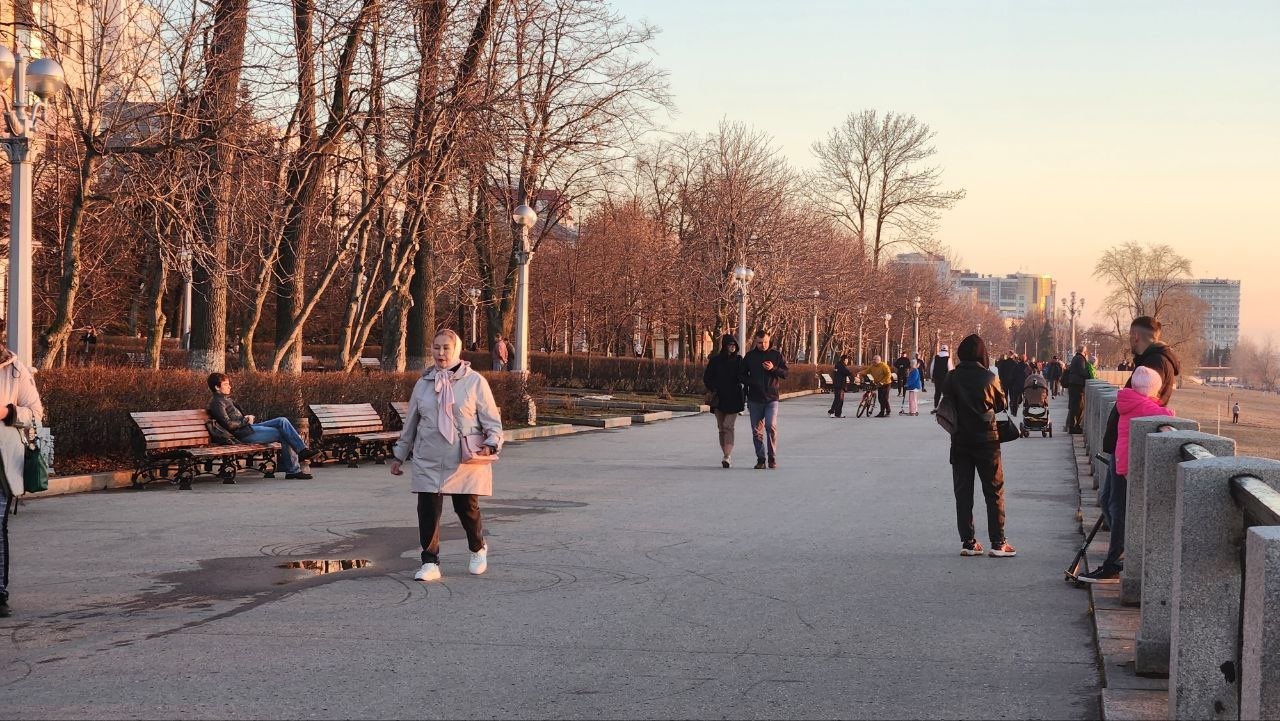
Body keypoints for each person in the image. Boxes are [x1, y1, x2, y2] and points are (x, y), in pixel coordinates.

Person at [391, 329, 503, 582]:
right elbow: (411, 423)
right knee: (428, 509)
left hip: (463, 456)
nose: (441, 353)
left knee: (466, 508)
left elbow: (492, 422)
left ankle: (477, 548)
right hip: (428, 454)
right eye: (436, 347)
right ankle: (430, 562)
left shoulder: (474, 381)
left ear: (457, 350)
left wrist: (491, 443)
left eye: (446, 348)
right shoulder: (423, 383)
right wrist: (399, 455)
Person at [1077, 367, 1173, 584]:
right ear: (1153, 390)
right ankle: (1116, 559)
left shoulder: (1127, 401)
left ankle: (1118, 555)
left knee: (1114, 506)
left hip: (1120, 462)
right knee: (1119, 511)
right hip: (1129, 467)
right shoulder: (1145, 406)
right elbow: (1169, 417)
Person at [940, 334, 1016, 558]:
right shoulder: (989, 377)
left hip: (960, 441)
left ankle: (969, 542)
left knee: (963, 493)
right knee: (994, 492)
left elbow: (946, 403)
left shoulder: (952, 377)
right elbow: (1002, 404)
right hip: (987, 442)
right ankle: (998, 542)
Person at [0, 346, 44, 618]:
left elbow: (36, 413)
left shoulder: (14, 370)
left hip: (1, 464)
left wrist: (8, 412)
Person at [206, 373, 318, 479]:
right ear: (217, 387)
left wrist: (247, 418)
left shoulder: (226, 400)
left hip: (248, 428)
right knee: (284, 433)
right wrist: (246, 421)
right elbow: (228, 425)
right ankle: (293, 470)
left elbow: (235, 419)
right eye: (226, 384)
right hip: (244, 434)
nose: (229, 387)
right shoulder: (217, 403)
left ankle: (302, 451)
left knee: (282, 421)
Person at [742, 330, 788, 469]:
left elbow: (785, 373)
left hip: (771, 398)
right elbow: (741, 375)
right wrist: (752, 382)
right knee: (756, 431)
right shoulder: (750, 356)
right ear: (756, 342)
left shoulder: (776, 355)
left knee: (770, 426)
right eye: (760, 342)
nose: (763, 345)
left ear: (770, 340)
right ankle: (761, 458)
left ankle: (772, 457)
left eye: (766, 342)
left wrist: (773, 368)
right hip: (755, 399)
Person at [703, 334, 747, 467]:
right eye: (730, 345)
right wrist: (713, 387)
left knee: (729, 426)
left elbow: (744, 377)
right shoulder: (716, 360)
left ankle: (727, 456)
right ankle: (725, 455)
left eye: (734, 345)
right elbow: (707, 378)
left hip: (734, 398)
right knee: (721, 427)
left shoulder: (739, 360)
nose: (732, 347)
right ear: (724, 346)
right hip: (719, 399)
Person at [1064, 344, 1091, 434]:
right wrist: (1089, 375)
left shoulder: (1076, 358)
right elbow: (1082, 371)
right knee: (1078, 406)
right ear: (1083, 351)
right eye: (1086, 351)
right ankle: (1075, 427)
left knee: (1074, 406)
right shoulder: (1080, 359)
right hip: (1077, 385)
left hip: (1074, 384)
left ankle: (1072, 426)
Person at [828, 353, 853, 419]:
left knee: (841, 400)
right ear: (844, 359)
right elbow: (847, 372)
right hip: (838, 385)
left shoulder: (840, 365)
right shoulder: (841, 365)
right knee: (837, 399)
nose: (848, 361)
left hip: (841, 385)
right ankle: (831, 412)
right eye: (847, 360)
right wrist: (852, 374)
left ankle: (838, 413)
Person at [930, 344, 951, 412]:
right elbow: (950, 369)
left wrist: (932, 376)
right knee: (946, 393)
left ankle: (936, 407)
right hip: (946, 378)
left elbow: (932, 368)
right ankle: (945, 408)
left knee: (937, 392)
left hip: (937, 378)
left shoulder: (936, 357)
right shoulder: (948, 358)